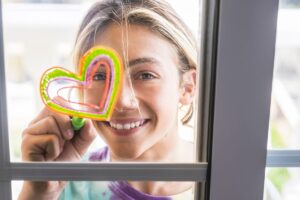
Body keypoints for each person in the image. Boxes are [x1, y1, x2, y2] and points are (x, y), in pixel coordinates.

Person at [19, 0, 197, 199]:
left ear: (187, 88)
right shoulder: (65, 183)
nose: (120, 101)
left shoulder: (223, 176)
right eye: (100, 76)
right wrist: (36, 194)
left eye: (145, 75)